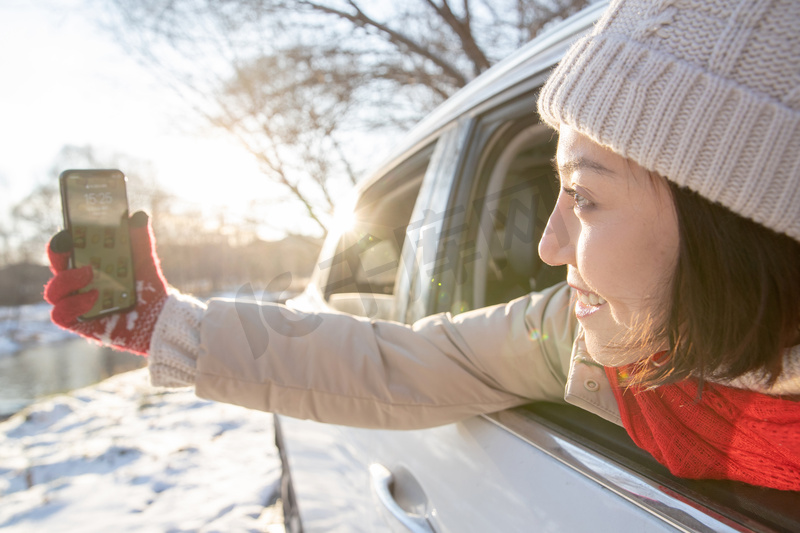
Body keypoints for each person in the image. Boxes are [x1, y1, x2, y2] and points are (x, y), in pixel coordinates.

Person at [44, 0, 800, 491]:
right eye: (555, 191)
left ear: (733, 223)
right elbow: (402, 362)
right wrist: (168, 326)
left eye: (586, 196)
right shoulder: (576, 337)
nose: (547, 244)